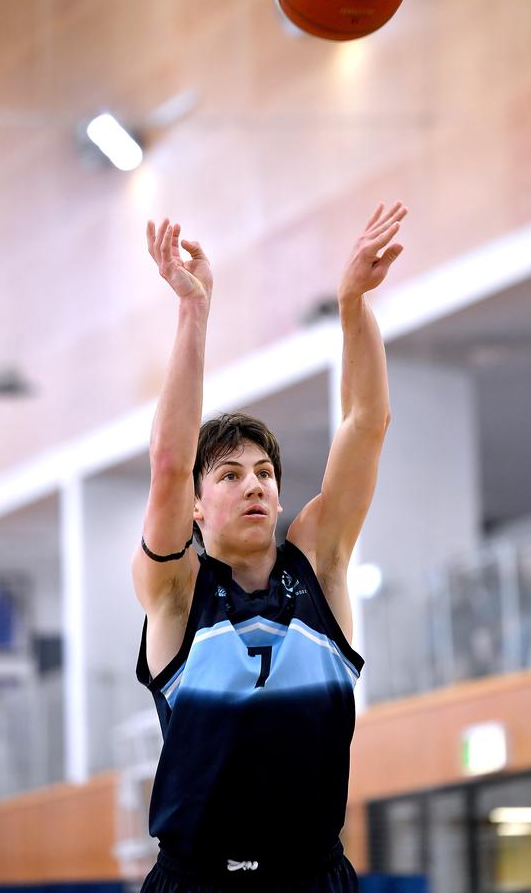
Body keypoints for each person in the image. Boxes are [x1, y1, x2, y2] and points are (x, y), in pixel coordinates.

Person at [132, 202, 407, 892]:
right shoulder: (176, 591)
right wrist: (195, 312)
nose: (253, 485)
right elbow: (168, 460)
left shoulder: (321, 562)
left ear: (281, 498)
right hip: (195, 881)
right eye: (229, 475)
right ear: (196, 506)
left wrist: (353, 305)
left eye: (264, 474)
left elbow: (366, 423)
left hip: (312, 878)